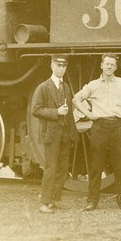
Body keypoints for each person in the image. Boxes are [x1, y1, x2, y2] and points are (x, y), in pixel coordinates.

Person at [72, 53, 121, 211]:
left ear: (116, 67)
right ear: (101, 66)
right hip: (99, 126)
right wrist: (88, 114)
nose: (109, 67)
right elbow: (76, 99)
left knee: (119, 165)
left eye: (112, 65)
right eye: (107, 64)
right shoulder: (93, 85)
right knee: (96, 165)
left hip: (118, 126)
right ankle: (92, 201)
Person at [31, 55, 79, 214]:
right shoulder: (43, 87)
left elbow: (70, 113)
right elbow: (36, 110)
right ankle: (45, 202)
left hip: (65, 134)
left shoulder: (66, 87)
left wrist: (73, 134)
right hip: (51, 135)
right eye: (58, 66)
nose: (61, 69)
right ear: (51, 66)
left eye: (64, 66)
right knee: (51, 169)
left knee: (63, 169)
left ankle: (55, 199)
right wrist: (56, 112)